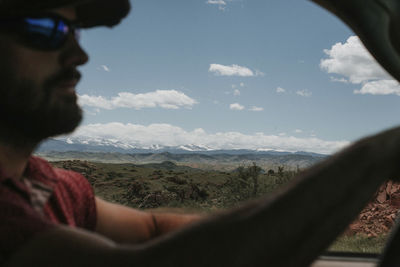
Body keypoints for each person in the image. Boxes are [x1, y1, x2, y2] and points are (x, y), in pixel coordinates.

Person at [1, 0, 400, 266]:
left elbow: (152, 230)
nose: (79, 55)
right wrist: (378, 153)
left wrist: (259, 225)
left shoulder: (54, 186)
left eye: (75, 32)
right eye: (45, 28)